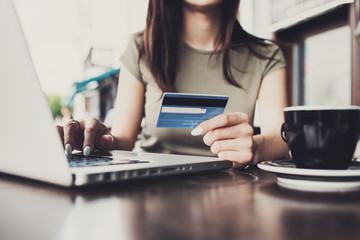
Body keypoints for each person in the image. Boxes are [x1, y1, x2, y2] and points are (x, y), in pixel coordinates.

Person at [61, 0, 289, 168]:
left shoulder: (266, 56)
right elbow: (123, 140)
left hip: (230, 190)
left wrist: (256, 147)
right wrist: (99, 139)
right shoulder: (141, 48)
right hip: (150, 190)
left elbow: (280, 138)